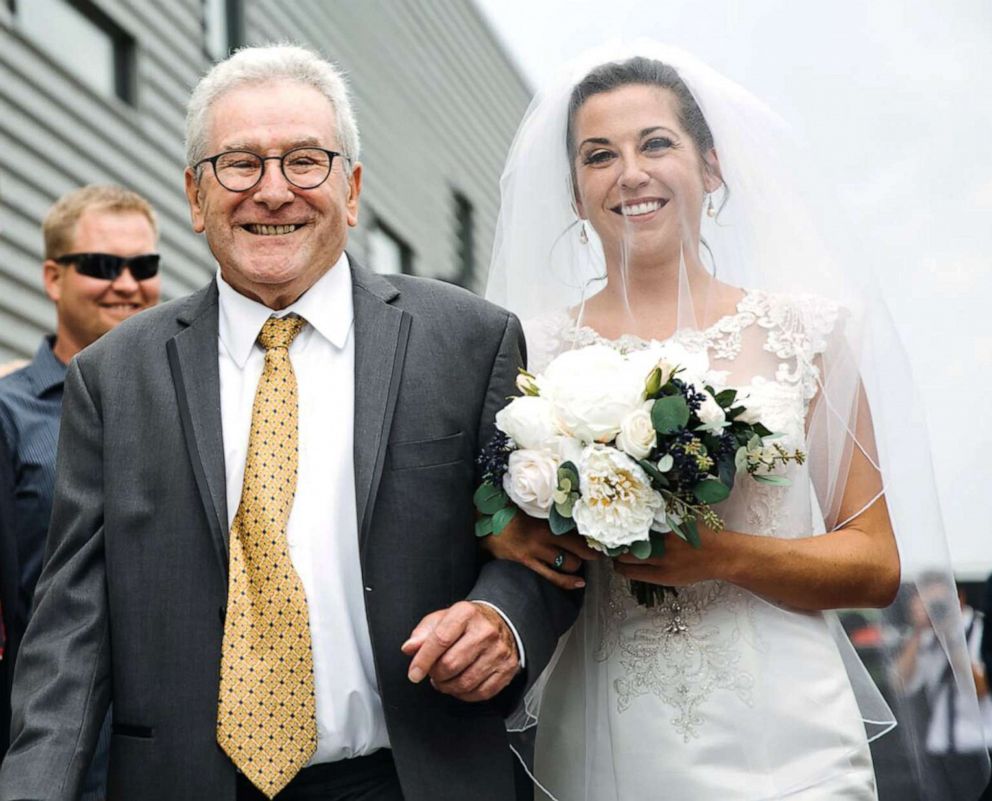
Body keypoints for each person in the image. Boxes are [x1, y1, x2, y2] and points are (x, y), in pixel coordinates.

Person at [0, 45, 577, 801]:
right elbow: (70, 627)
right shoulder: (112, 375)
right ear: (195, 194)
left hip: (413, 775)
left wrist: (506, 618)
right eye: (239, 164)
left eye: (305, 160)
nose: (272, 192)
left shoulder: (471, 340)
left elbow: (545, 546)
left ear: (353, 188)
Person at [482, 44, 989, 799]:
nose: (631, 172)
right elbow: (495, 528)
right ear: (574, 192)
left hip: (788, 735)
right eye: (598, 155)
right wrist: (511, 532)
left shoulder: (806, 334)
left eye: (656, 143)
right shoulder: (527, 347)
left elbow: (875, 563)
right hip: (607, 729)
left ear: (711, 167)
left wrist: (719, 553)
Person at [0, 184, 161, 798]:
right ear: (52, 277)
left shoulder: (194, 408)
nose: (126, 283)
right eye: (101, 266)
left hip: (179, 750)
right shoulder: (9, 417)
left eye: (143, 266)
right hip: (48, 746)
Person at [894, 576, 992, 800]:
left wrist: (950, 634)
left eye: (940, 603)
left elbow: (980, 687)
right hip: (940, 751)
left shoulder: (981, 629)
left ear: (959, 599)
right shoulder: (925, 638)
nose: (935, 610)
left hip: (980, 746)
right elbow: (899, 683)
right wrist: (919, 630)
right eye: (929, 604)